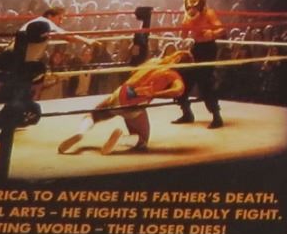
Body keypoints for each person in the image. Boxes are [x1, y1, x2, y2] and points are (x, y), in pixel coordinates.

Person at [0, 5, 93, 142]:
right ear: (50, 16)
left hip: (18, 63)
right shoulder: (44, 23)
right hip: (18, 64)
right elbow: (67, 36)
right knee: (17, 101)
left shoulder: (37, 24)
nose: (61, 21)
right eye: (60, 18)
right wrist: (87, 40)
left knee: (22, 100)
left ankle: (11, 123)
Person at [59, 49, 191, 155]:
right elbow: (178, 90)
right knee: (142, 140)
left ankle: (80, 132)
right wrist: (155, 93)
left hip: (122, 92)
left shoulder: (154, 62)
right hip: (136, 102)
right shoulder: (173, 75)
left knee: (93, 115)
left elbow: (133, 72)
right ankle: (121, 139)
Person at [172, 0, 225, 129]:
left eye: (194, 7)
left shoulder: (209, 13)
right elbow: (183, 36)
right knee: (183, 79)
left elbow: (222, 30)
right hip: (196, 48)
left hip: (209, 48)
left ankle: (217, 117)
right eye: (189, 7)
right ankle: (187, 113)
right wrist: (182, 32)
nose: (192, 10)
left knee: (205, 81)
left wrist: (212, 33)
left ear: (200, 6)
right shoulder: (187, 17)